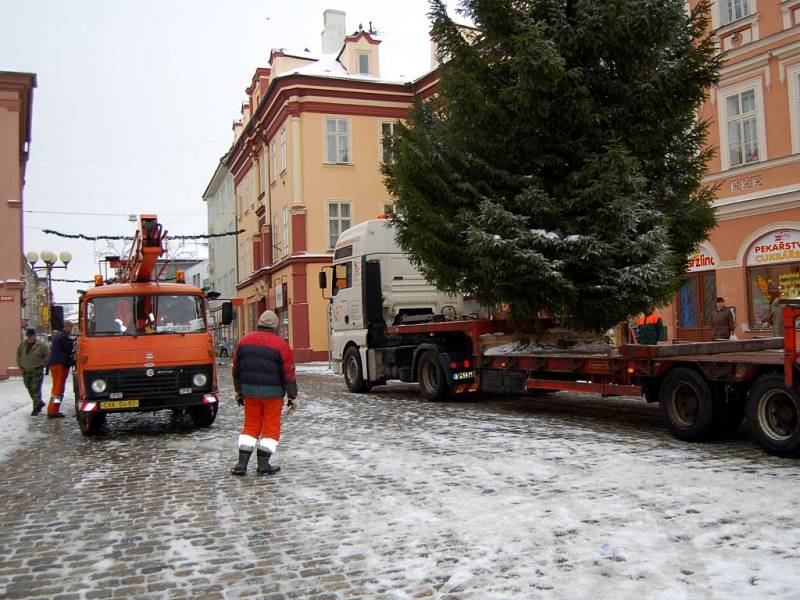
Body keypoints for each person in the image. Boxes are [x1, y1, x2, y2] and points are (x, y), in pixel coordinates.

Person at [231, 310, 298, 476]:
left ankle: (241, 465)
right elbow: (288, 373)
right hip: (273, 394)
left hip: (250, 392)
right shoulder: (280, 344)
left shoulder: (244, 341)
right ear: (275, 326)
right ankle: (263, 465)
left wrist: (239, 391)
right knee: (270, 428)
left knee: (250, 426)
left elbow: (236, 369)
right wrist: (292, 395)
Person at [16, 329, 49, 415]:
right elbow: (19, 355)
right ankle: (39, 402)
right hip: (26, 370)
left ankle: (36, 408)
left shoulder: (41, 345)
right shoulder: (22, 345)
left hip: (37, 370)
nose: (29, 338)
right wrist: (20, 364)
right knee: (29, 387)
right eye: (28, 336)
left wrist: (43, 364)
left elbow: (48, 354)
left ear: (35, 336)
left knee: (36, 389)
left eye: (31, 336)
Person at [47, 320, 74, 418]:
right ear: (65, 327)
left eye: (71, 327)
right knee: (58, 389)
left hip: (55, 364)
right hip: (60, 365)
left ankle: (53, 410)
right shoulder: (64, 337)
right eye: (69, 327)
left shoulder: (57, 335)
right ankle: (53, 411)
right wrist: (73, 342)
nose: (70, 329)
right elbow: (68, 348)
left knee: (56, 388)